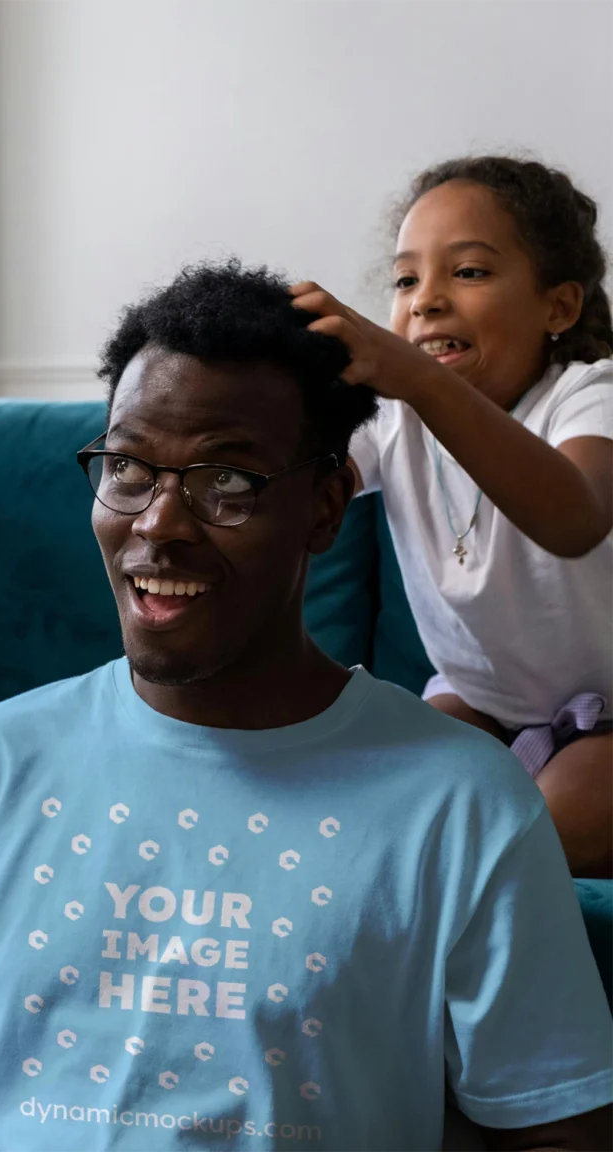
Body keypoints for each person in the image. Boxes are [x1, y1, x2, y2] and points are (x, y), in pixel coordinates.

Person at [0, 261, 612, 1151]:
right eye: (129, 467)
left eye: (228, 483)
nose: (160, 522)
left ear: (326, 508)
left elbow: (562, 1135)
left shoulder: (463, 804)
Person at [291, 156, 613, 879]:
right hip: (483, 703)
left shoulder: (590, 395)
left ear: (557, 308)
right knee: (377, 808)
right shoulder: (392, 416)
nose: (425, 300)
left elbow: (576, 518)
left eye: (467, 272)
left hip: (611, 720)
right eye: (406, 280)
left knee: (547, 834)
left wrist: (418, 380)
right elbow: (307, 486)